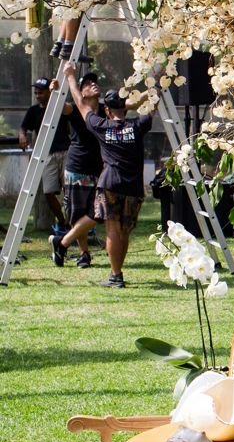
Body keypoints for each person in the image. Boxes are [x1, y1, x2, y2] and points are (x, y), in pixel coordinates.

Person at [62, 64, 152, 288]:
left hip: (110, 183)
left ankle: (116, 276)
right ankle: (117, 273)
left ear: (108, 111)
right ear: (125, 109)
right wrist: (157, 83)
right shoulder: (138, 125)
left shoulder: (101, 125)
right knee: (125, 231)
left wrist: (70, 77)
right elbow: (152, 105)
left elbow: (81, 105)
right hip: (134, 187)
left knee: (112, 229)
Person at [52, 69, 103, 270]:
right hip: (77, 167)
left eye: (94, 81)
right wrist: (55, 91)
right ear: (80, 92)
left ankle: (62, 242)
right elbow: (59, 107)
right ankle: (84, 254)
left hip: (100, 168)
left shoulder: (106, 109)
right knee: (78, 213)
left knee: (100, 211)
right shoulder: (73, 109)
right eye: (88, 83)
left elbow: (128, 105)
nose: (93, 84)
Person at [19, 76, 69, 231]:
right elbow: (23, 127)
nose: (38, 95)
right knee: (49, 192)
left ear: (49, 91)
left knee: (70, 190)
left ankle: (74, 222)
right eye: (36, 93)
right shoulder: (33, 111)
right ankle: (63, 222)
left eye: (40, 92)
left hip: (65, 152)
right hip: (46, 155)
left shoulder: (59, 107)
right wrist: (22, 135)